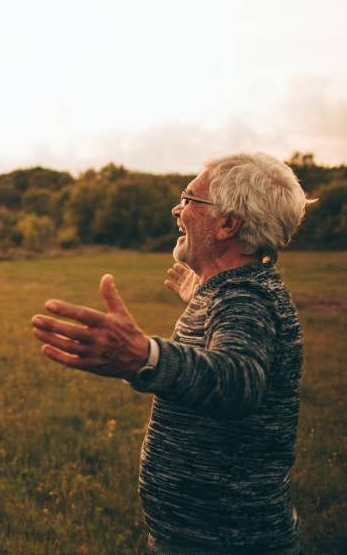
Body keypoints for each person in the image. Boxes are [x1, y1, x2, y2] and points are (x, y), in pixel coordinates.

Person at [30, 152, 313, 554]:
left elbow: (238, 380)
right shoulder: (234, 292)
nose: (177, 208)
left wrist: (144, 356)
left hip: (226, 541)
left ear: (227, 224)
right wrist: (203, 297)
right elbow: (231, 340)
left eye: (190, 198)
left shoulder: (246, 299)